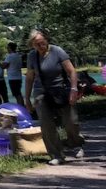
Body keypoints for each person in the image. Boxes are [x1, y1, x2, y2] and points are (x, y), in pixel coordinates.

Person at [24, 28, 83, 165]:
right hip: (41, 92)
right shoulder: (32, 56)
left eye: (42, 42)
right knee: (46, 124)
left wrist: (74, 89)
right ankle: (56, 154)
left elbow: (71, 71)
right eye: (36, 44)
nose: (40, 46)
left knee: (70, 121)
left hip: (60, 90)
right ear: (32, 45)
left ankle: (76, 144)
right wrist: (27, 99)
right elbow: (29, 78)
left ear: (46, 40)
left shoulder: (57, 51)